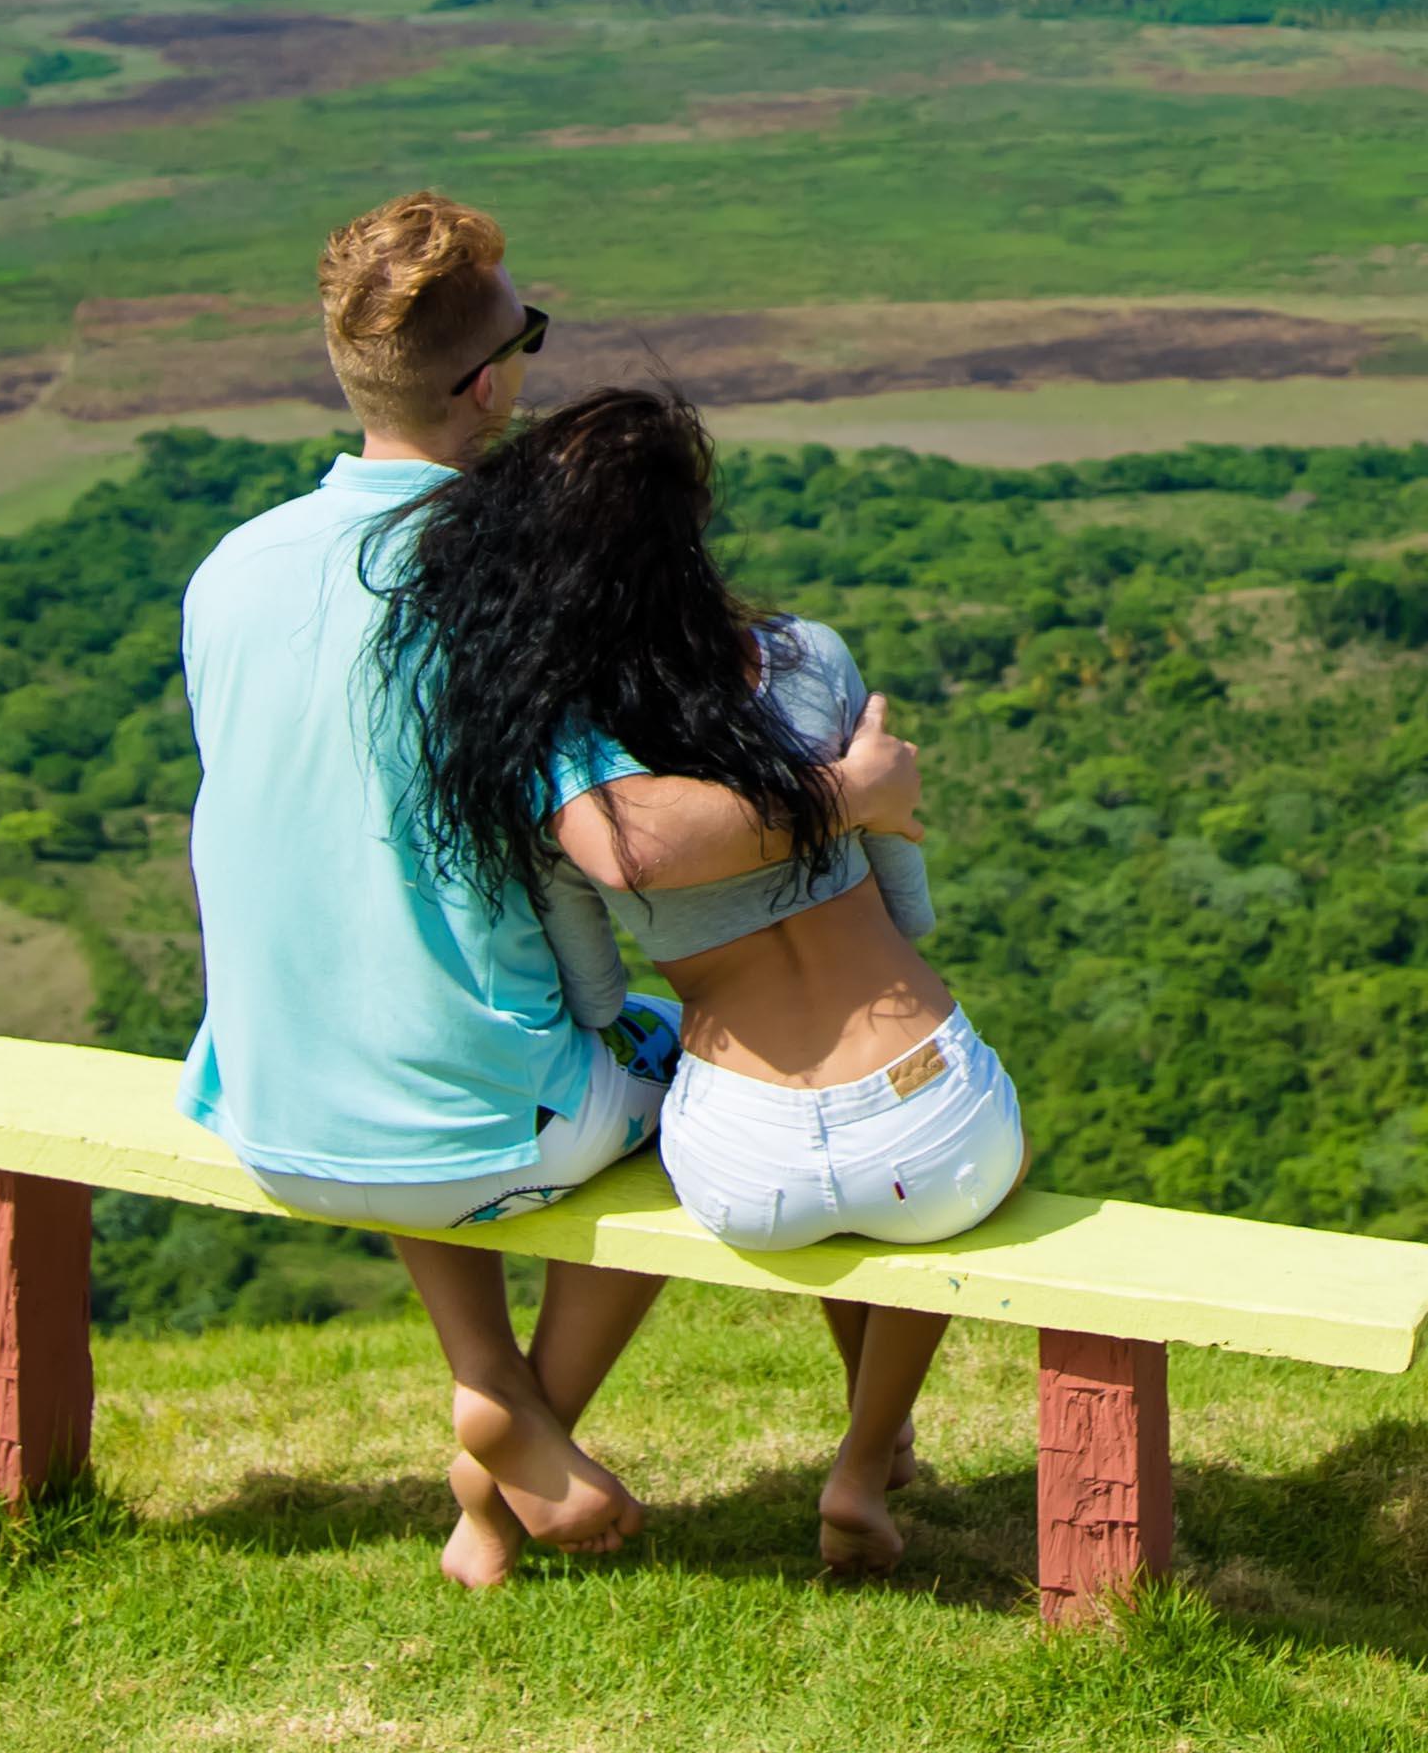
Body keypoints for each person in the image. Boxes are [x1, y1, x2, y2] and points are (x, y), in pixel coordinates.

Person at [177, 192, 923, 1588]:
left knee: (425, 1009)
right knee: (698, 1110)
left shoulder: (229, 572)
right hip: (463, 1119)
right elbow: (626, 848)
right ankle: (511, 1456)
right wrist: (846, 795)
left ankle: (489, 1379)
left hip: (261, 1100)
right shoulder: (497, 590)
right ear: (490, 379)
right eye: (525, 334)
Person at [391, 384, 1026, 1574]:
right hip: (928, 1127)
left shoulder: (560, 745)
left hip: (745, 1162)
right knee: (955, 1176)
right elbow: (907, 899)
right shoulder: (809, 658)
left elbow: (590, 990)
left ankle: (494, 1496)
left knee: (664, 1144)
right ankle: (866, 1458)